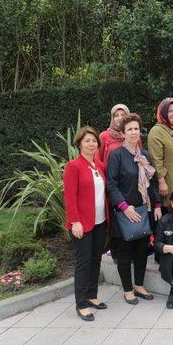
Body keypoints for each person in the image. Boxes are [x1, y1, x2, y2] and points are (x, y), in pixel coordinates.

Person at [106, 113, 161, 304]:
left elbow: (152, 183)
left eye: (136, 129)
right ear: (122, 133)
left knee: (141, 251)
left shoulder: (144, 156)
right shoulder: (117, 156)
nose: (133, 132)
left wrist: (157, 205)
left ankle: (139, 285)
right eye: (129, 129)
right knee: (125, 253)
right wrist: (124, 207)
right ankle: (128, 289)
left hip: (143, 210)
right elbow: (111, 185)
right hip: (125, 213)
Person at [63, 126, 109, 321]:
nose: (92, 144)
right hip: (82, 223)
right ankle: (81, 303)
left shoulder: (98, 165)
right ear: (79, 144)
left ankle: (92, 295)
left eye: (94, 141)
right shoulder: (74, 166)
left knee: (96, 258)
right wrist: (74, 221)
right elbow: (69, 197)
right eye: (87, 141)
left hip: (100, 221)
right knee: (84, 262)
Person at [97, 104, 143, 170]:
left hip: (131, 176)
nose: (119, 118)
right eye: (116, 116)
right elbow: (98, 160)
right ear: (112, 118)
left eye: (123, 115)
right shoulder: (104, 136)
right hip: (111, 176)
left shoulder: (134, 135)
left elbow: (140, 157)